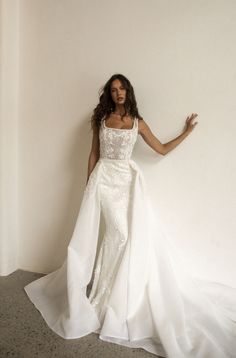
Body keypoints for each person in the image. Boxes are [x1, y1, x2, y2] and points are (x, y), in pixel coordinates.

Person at [24, 74, 236, 358]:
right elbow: (93, 154)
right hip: (104, 180)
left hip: (127, 182)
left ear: (128, 91)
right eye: (113, 90)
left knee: (124, 236)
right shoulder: (101, 119)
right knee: (118, 234)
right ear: (109, 95)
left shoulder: (138, 122)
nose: (118, 93)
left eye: (122, 88)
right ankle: (102, 293)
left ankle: (112, 293)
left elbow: (160, 149)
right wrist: (89, 186)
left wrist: (185, 132)